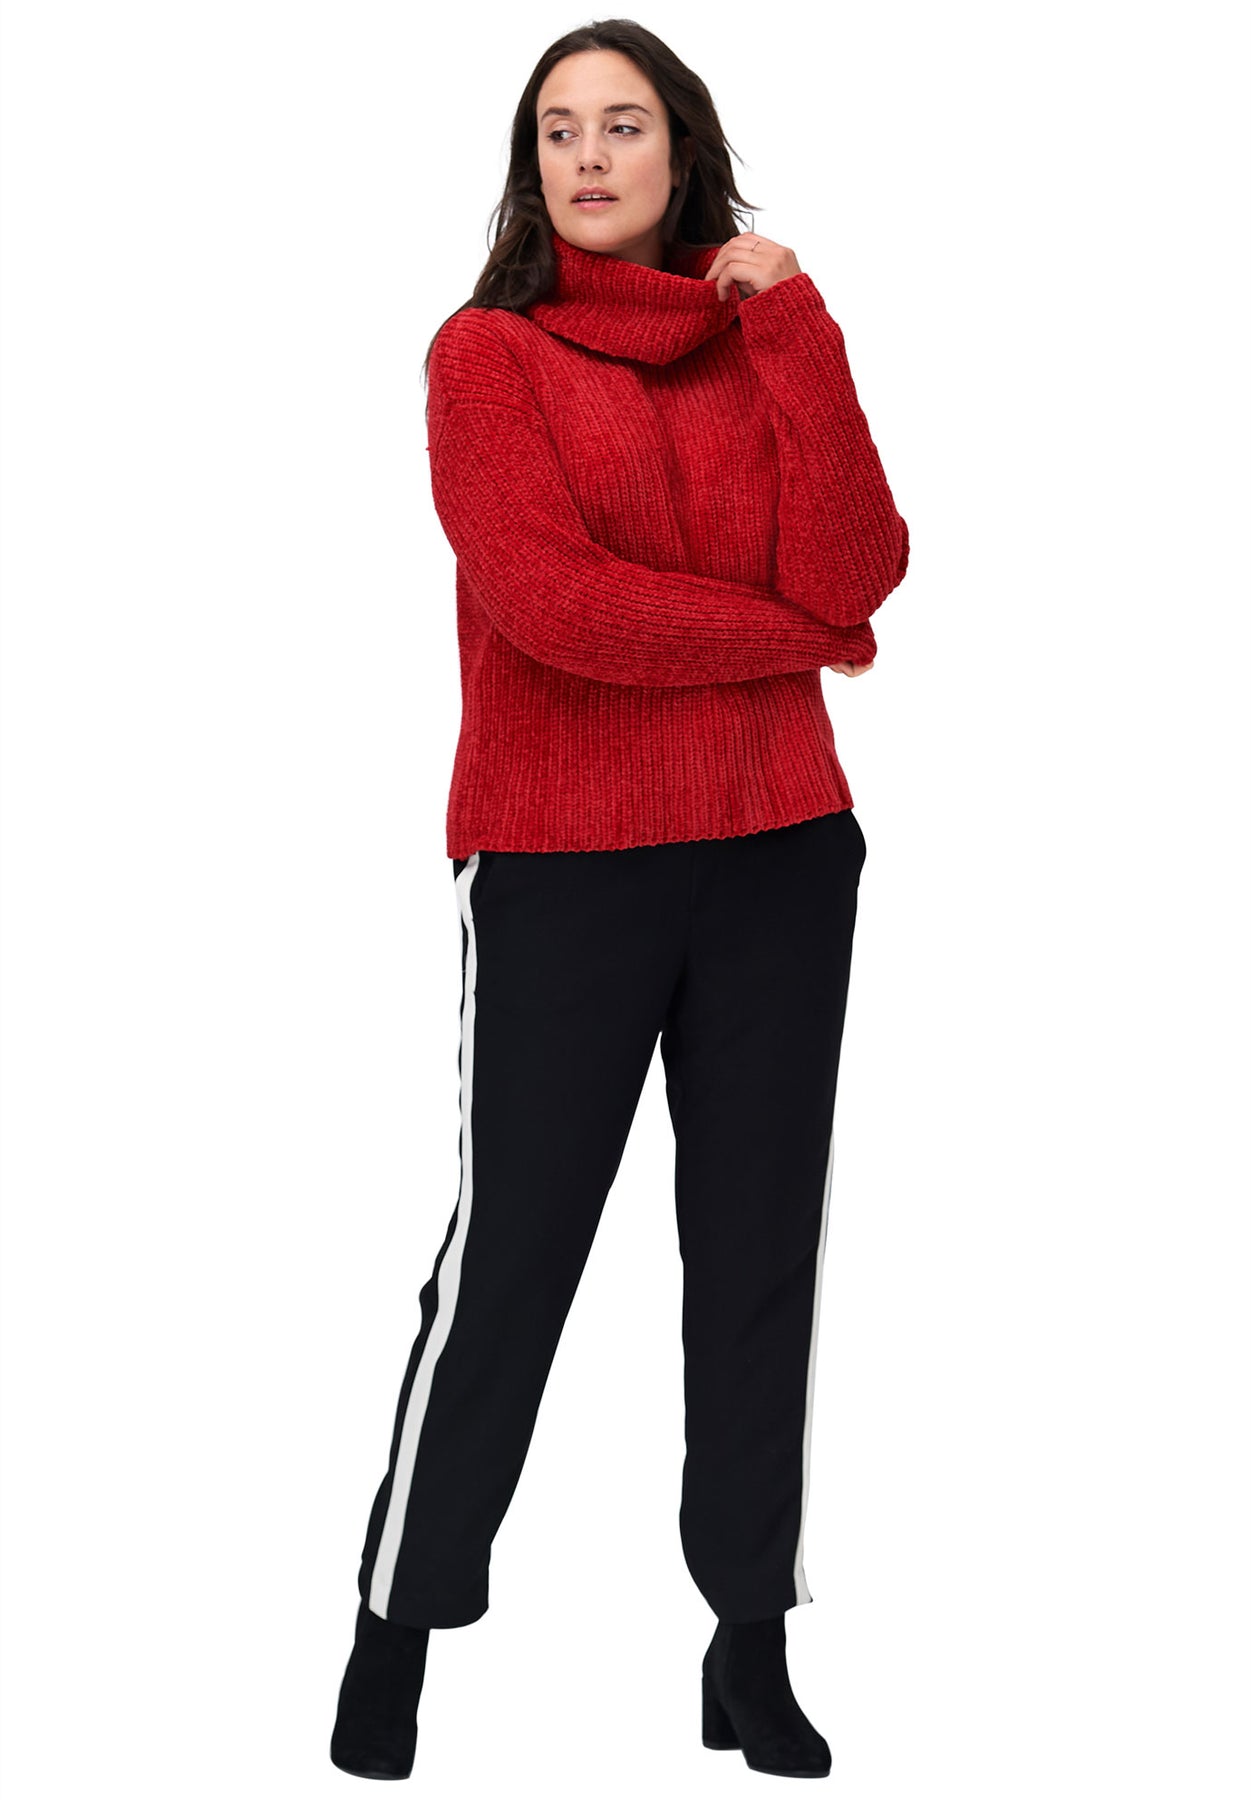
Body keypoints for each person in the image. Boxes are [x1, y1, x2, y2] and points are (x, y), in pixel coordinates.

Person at [330, 17, 908, 1782]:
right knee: (511, 1260)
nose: (589, 157)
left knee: (756, 1263)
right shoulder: (485, 357)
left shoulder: (762, 343)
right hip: (562, 865)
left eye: (624, 125)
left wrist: (798, 327)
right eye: (559, 130)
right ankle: (397, 1626)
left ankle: (749, 1642)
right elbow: (557, 606)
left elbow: (863, 560)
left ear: (683, 150)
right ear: (532, 167)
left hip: (781, 853)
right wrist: (800, 641)